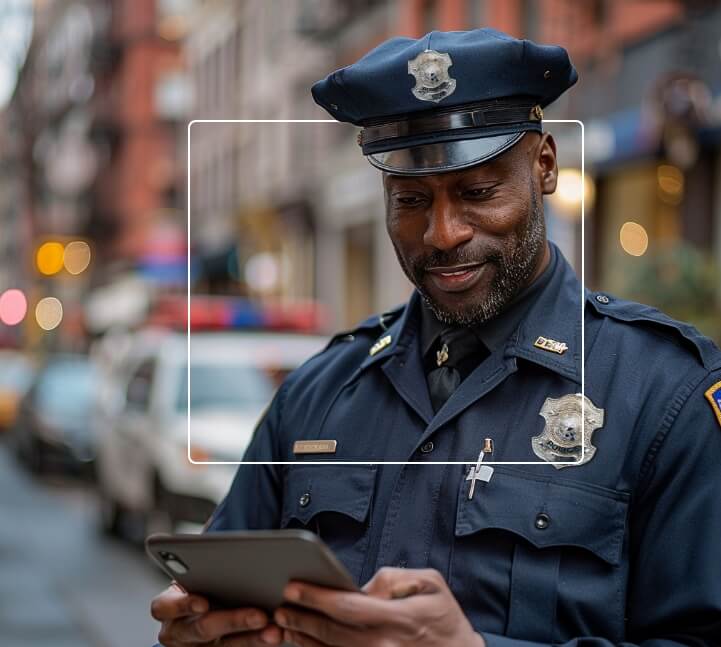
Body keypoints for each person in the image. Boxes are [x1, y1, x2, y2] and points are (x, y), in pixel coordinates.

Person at [150, 29, 721, 647]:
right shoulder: (318, 391)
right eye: (412, 200)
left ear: (546, 166)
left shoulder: (669, 394)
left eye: (478, 193)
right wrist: (204, 628)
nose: (442, 233)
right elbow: (219, 588)